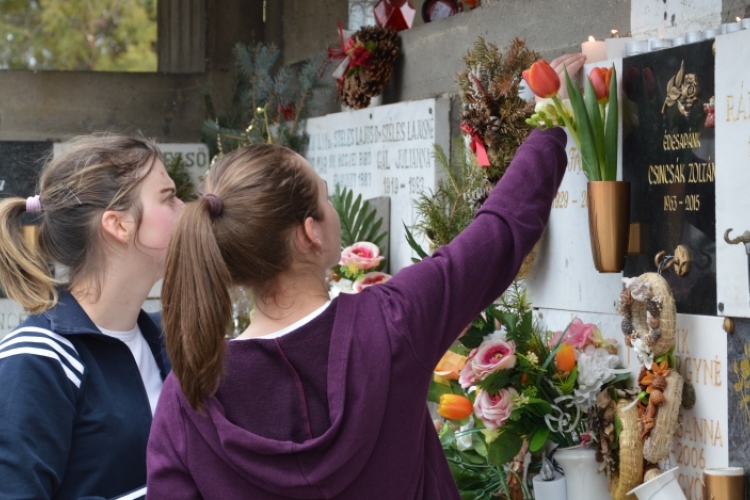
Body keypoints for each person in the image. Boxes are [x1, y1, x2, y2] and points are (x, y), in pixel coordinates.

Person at [147, 55, 585, 499]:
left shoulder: (189, 398)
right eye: (326, 195)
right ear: (310, 233)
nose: (333, 206)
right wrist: (550, 120)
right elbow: (499, 233)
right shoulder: (391, 322)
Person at [0, 135, 185, 500]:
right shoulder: (37, 360)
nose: (186, 209)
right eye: (169, 197)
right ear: (118, 225)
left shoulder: (165, 337)